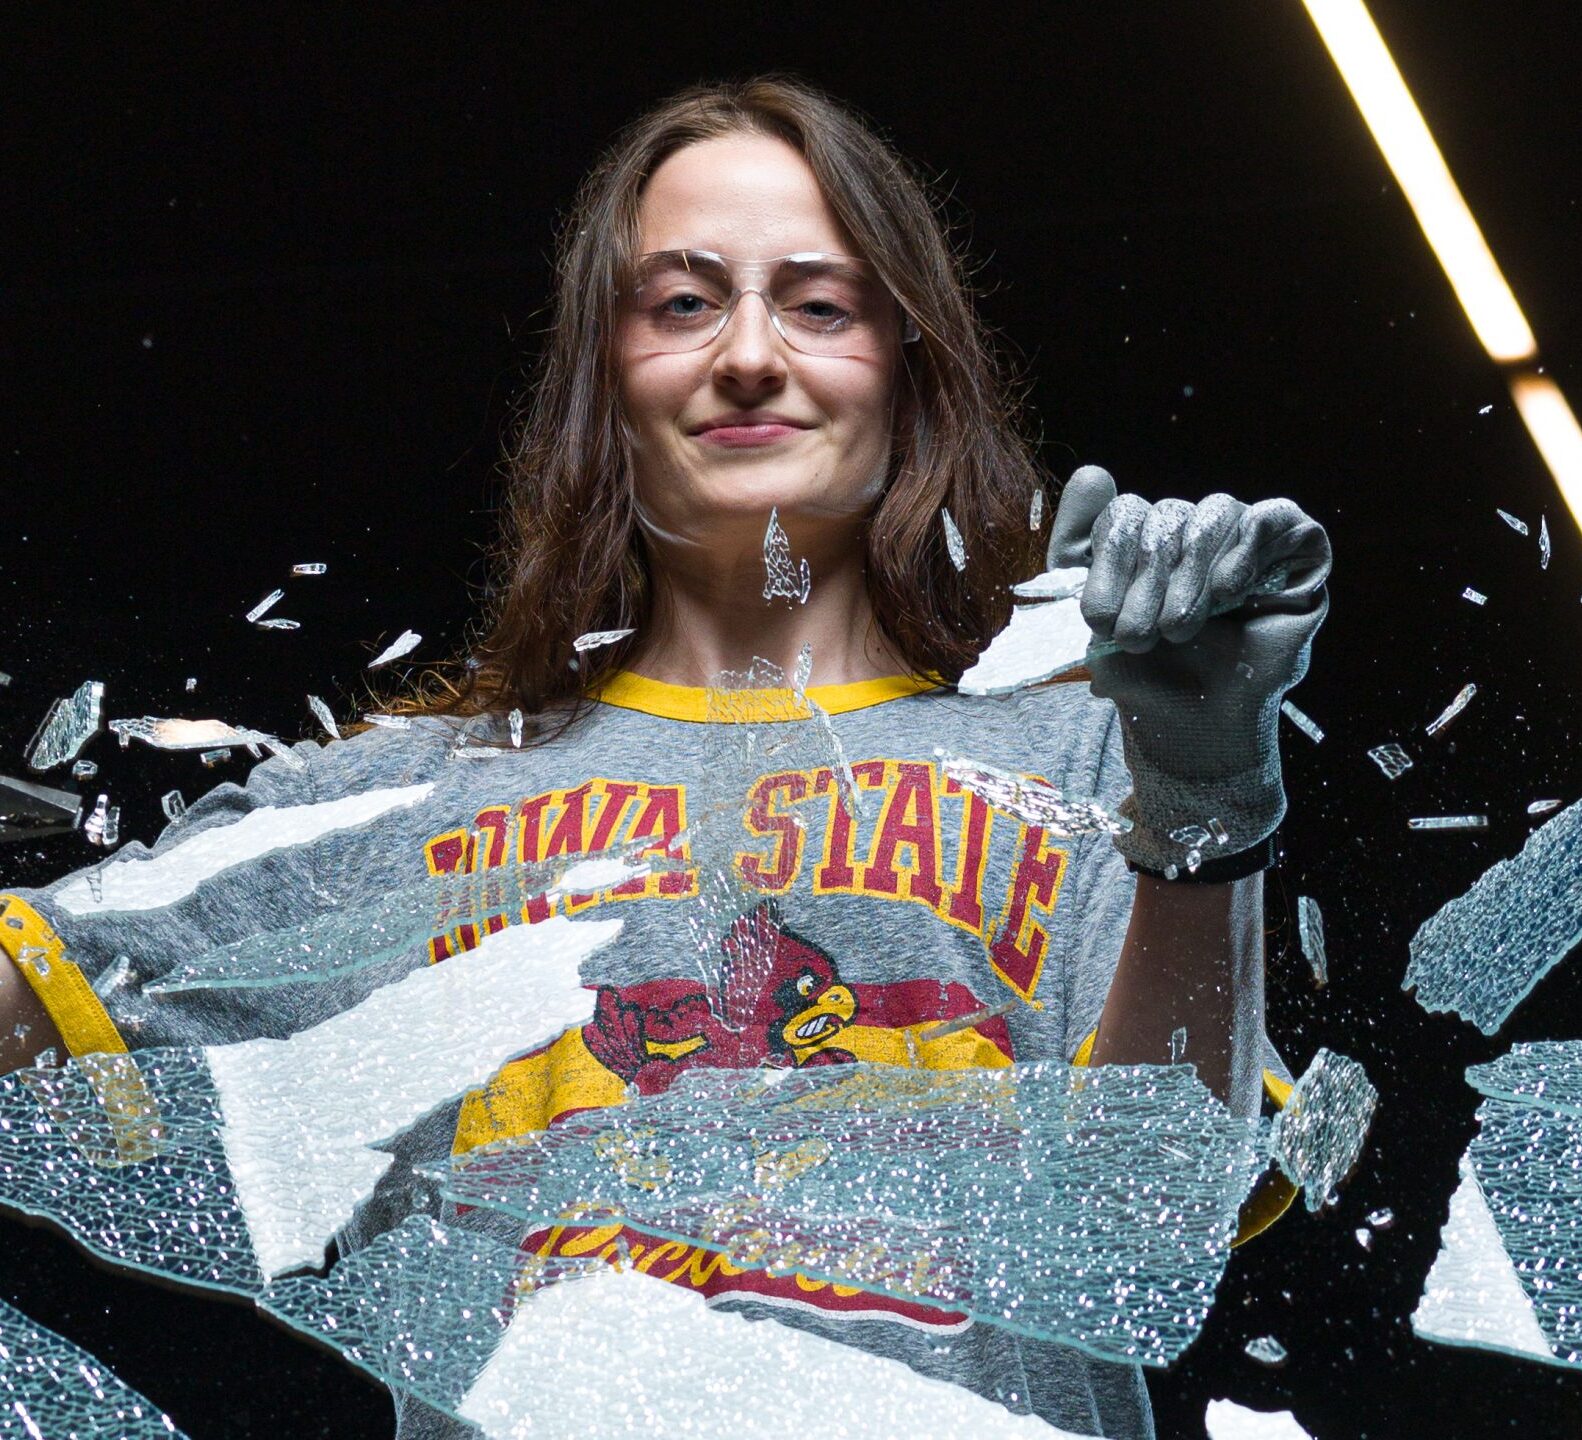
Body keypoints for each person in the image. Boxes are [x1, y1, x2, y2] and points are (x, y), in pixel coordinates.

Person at [0, 75, 1329, 1439]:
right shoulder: (396, 800)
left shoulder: (1081, 763)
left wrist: (1204, 799)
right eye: (683, 304)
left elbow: (1150, 1226)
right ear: (602, 384)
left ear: (911, 371)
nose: (748, 354)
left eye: (818, 304)